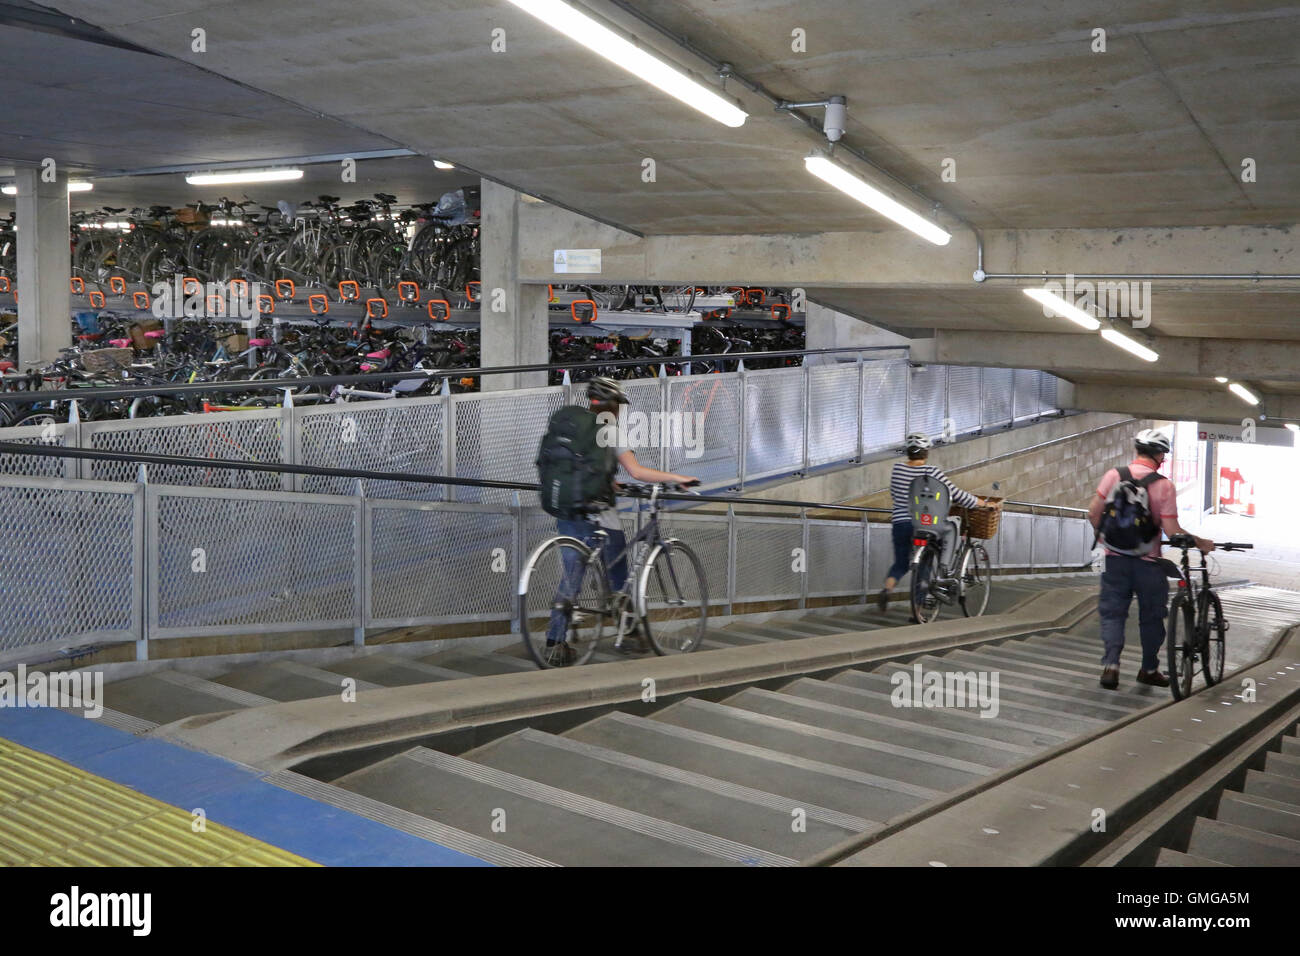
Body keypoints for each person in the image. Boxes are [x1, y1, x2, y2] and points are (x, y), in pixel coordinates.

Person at [544, 376, 698, 664]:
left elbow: (581, 467)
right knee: (619, 576)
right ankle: (628, 634)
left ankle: (554, 643)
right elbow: (637, 473)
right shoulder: (609, 431)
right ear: (615, 405)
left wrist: (609, 481)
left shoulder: (576, 427)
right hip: (599, 515)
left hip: (565, 508)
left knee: (571, 577)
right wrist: (678, 478)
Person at [1088, 427, 1213, 689]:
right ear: (1160, 456)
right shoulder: (1163, 485)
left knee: (1112, 614)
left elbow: (1093, 513)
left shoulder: (1114, 475)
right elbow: (1171, 530)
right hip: (1148, 564)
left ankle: (1111, 666)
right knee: (1152, 617)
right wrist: (1200, 542)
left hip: (1113, 560)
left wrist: (1107, 541)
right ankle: (1149, 669)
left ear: (1137, 451)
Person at [877, 432, 993, 615]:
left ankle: (887, 589)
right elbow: (957, 494)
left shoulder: (897, 470)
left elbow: (896, 495)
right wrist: (984, 504)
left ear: (908, 451)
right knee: (945, 537)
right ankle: (934, 585)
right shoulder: (932, 472)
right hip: (925, 524)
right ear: (926, 452)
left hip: (901, 523)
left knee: (901, 563)